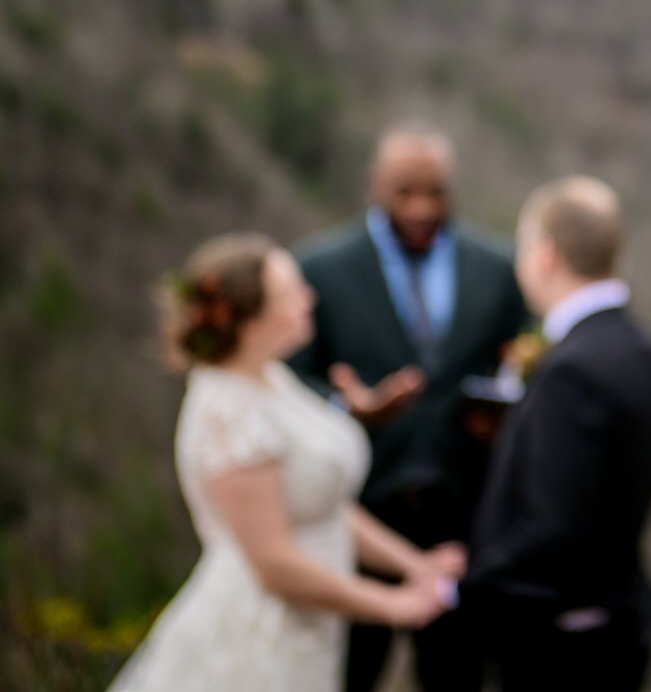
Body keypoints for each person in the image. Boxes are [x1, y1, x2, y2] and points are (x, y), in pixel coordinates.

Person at [110, 233, 458, 692]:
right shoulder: (226, 412)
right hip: (258, 629)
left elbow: (322, 504)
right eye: (291, 293)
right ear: (249, 323)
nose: (309, 298)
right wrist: (391, 604)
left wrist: (415, 564)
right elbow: (273, 562)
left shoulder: (272, 376)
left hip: (310, 626)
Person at [289, 124, 528, 692]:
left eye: (436, 192)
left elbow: (517, 365)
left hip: (462, 525)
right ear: (373, 186)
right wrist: (347, 408)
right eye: (404, 192)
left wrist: (502, 414)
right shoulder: (319, 269)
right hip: (355, 519)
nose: (422, 208)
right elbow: (292, 379)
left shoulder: (499, 268)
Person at [463, 176, 651, 692]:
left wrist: (470, 582)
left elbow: (553, 526)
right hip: (618, 625)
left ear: (544, 254)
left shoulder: (572, 370)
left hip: (559, 651)